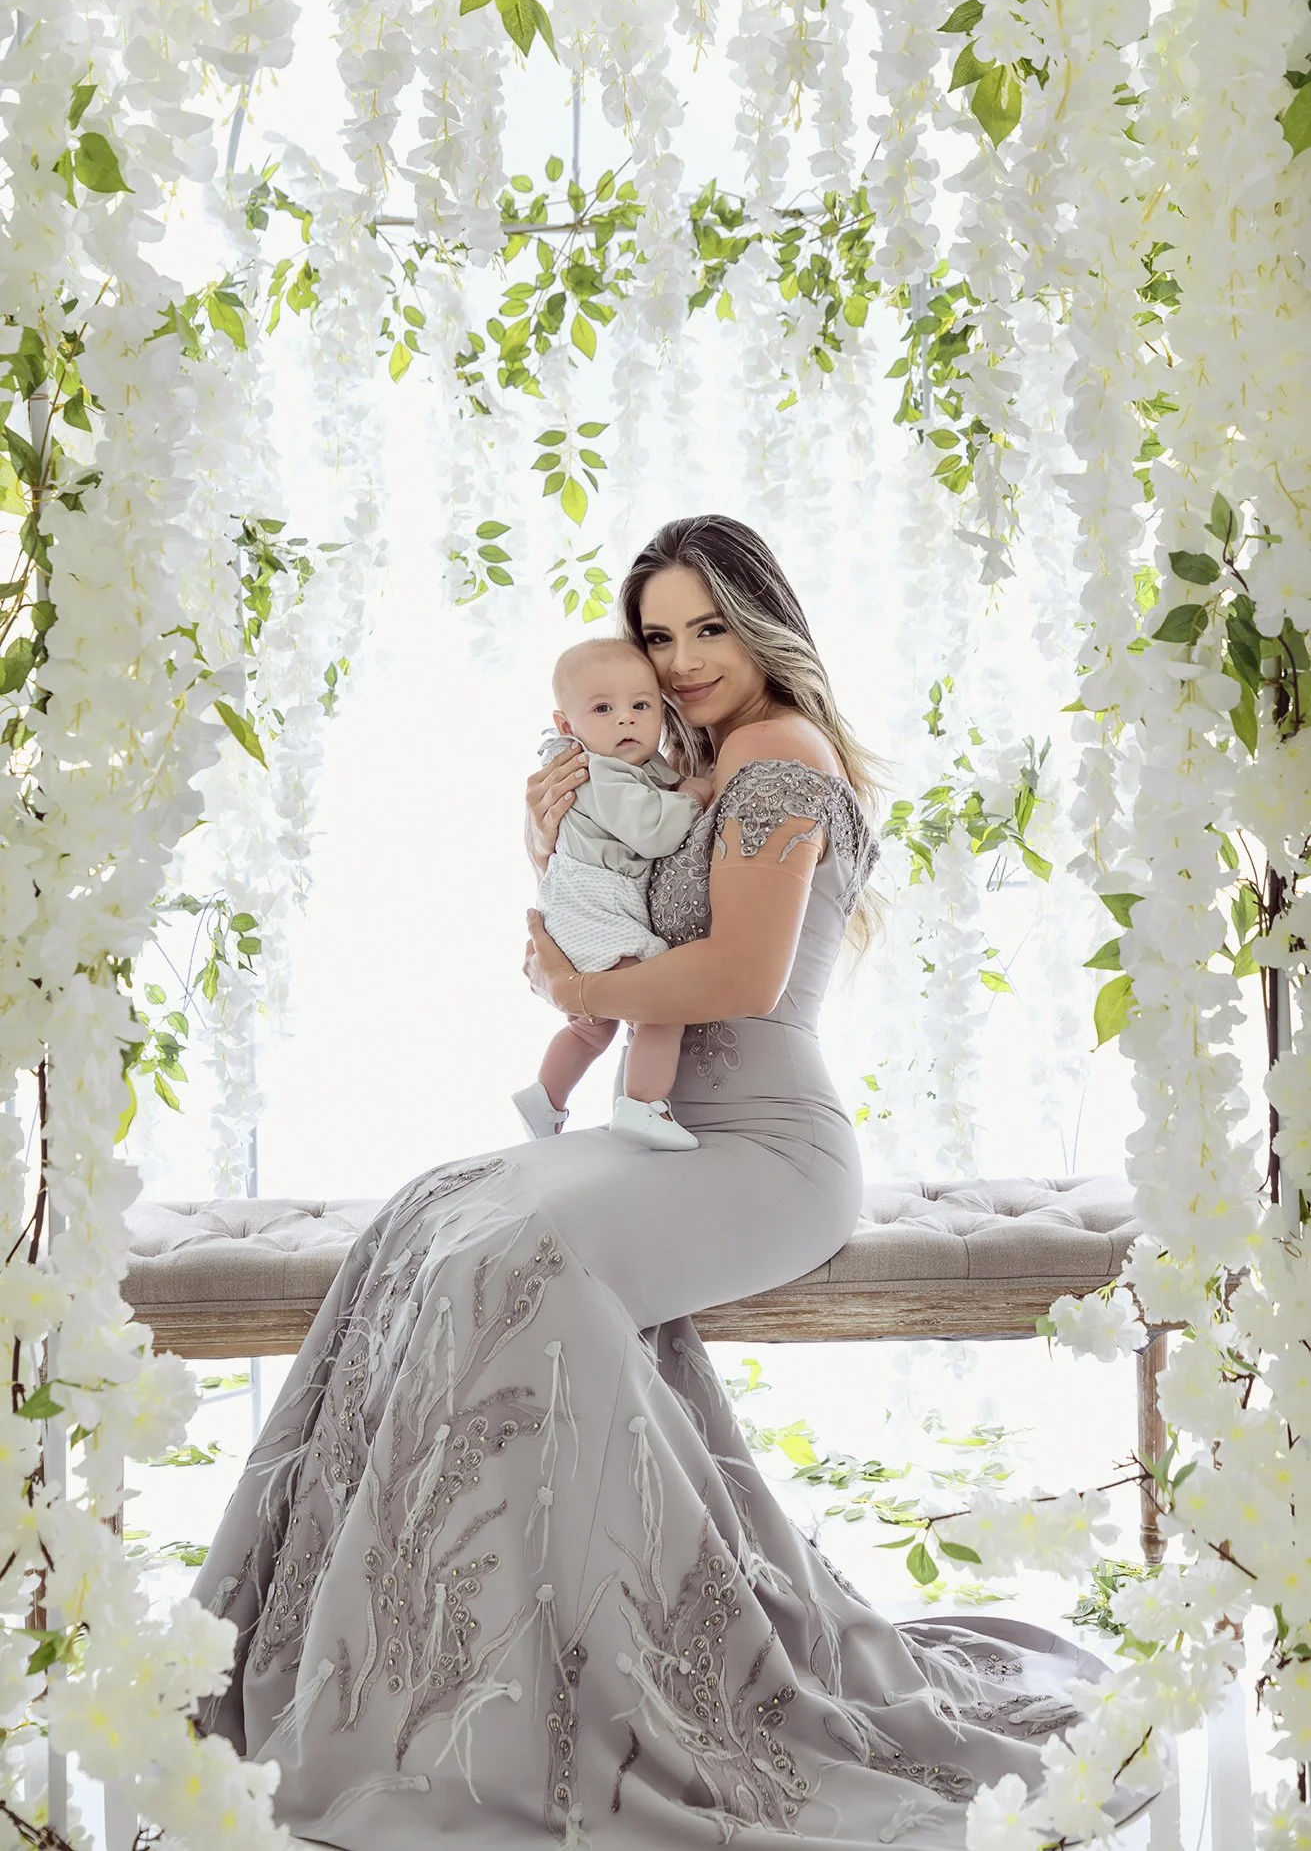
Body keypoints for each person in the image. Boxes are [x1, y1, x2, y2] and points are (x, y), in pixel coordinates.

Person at [190, 514, 1156, 1847]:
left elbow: (738, 979)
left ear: (763, 624)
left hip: (765, 1150)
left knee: (507, 1259)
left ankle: (508, 1700)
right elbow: (614, 924)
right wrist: (552, 838)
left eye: (709, 627)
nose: (685, 657)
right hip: (663, 1134)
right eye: (659, 634)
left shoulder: (778, 753)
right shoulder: (678, 762)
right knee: (435, 1212)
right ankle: (415, 1668)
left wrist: (574, 991)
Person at [513, 638, 713, 1153]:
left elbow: (658, 786)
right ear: (566, 725)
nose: (626, 719)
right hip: (594, 903)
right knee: (657, 1008)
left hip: (579, 902)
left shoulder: (633, 765)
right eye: (603, 709)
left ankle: (543, 1100)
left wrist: (679, 784)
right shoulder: (597, 771)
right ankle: (643, 1106)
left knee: (591, 1028)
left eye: (641, 706)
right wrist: (693, 795)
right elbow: (654, 832)